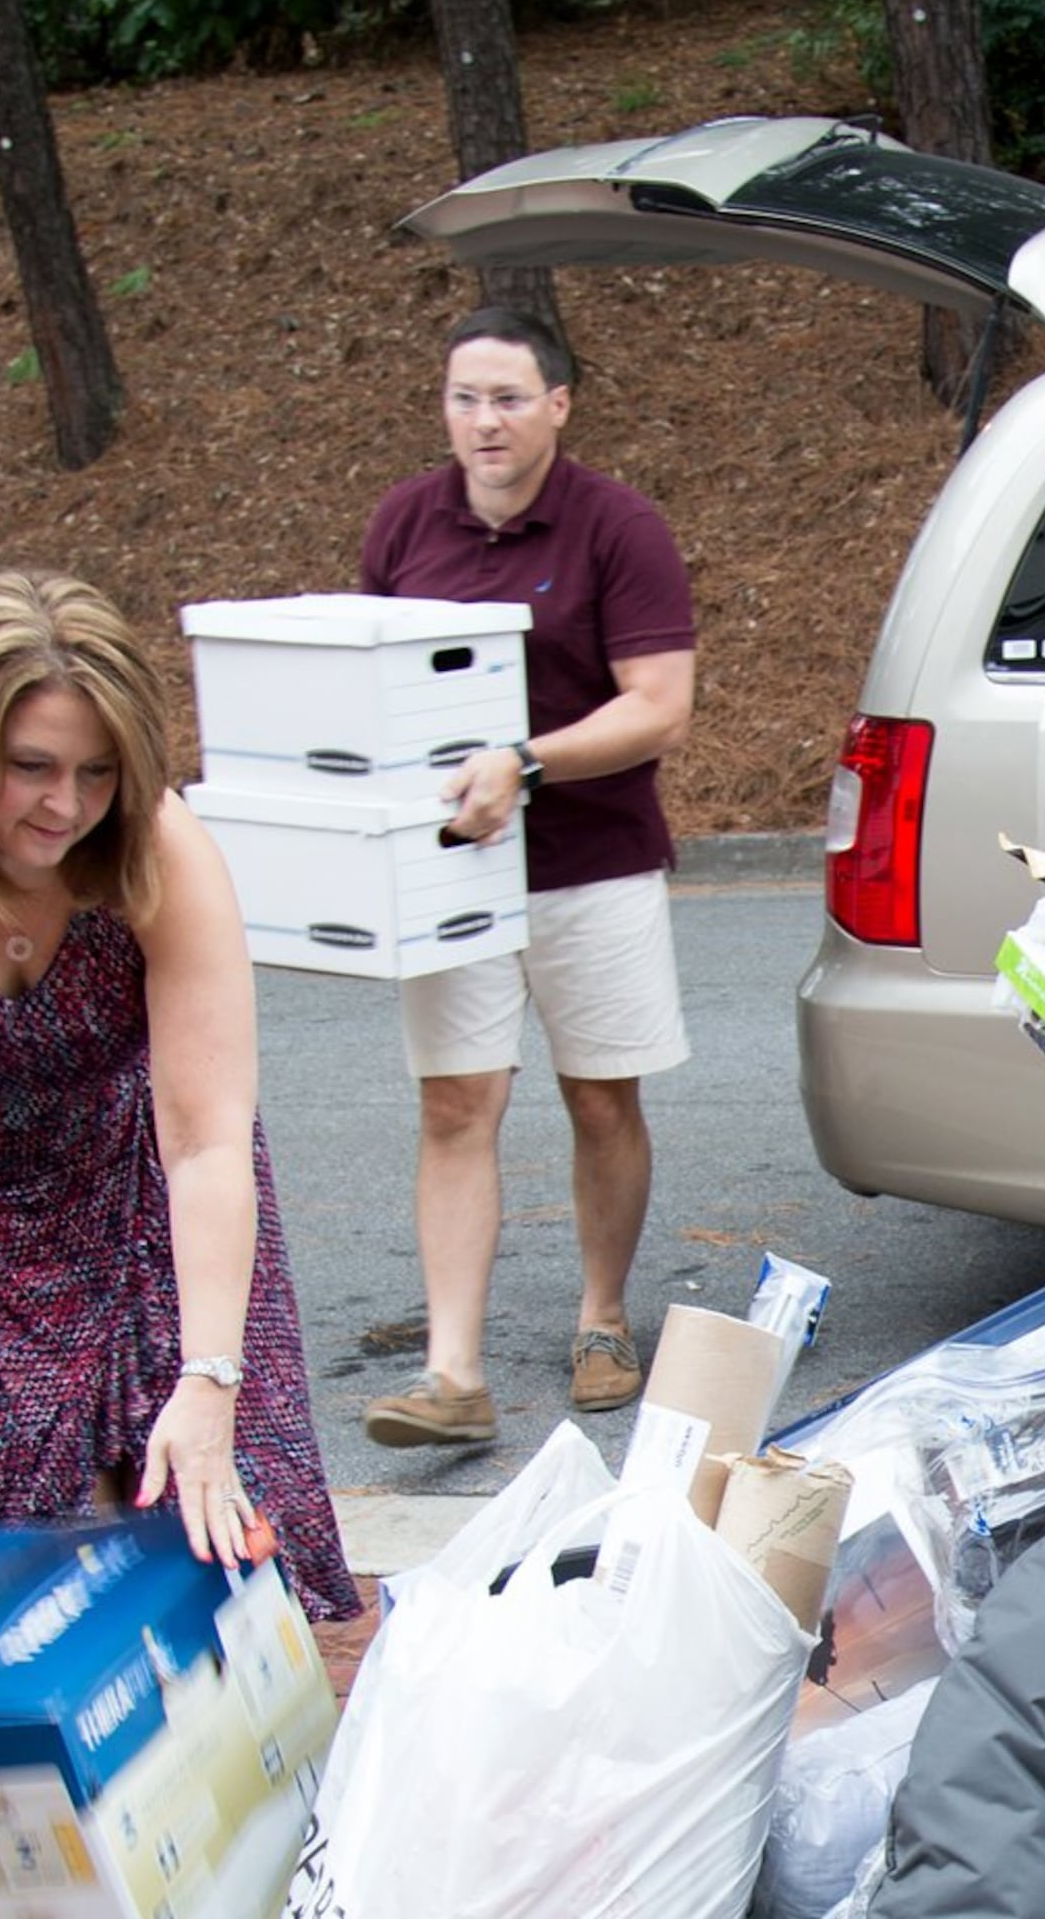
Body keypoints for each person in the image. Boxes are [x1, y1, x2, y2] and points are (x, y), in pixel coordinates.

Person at [0, 570, 358, 1620]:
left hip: (151, 1184)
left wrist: (210, 1377)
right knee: (13, 1575)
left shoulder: (156, 849)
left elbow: (206, 1138)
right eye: (31, 768)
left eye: (96, 772)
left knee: (209, 1537)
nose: (67, 805)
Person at [360, 306, 698, 1449]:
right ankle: (452, 1373)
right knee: (456, 1102)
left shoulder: (618, 528)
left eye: (508, 398)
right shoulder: (407, 523)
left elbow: (658, 706)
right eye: (465, 397)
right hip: (451, 873)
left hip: (589, 862)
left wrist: (528, 763)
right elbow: (377, 688)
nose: (484, 420)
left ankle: (602, 1315)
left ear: (559, 404)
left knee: (601, 1097)